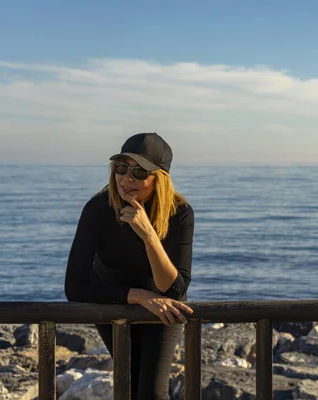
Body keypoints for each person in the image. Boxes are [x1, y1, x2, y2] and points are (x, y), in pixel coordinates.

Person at [64, 132, 194, 399]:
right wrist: (136, 296)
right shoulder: (98, 208)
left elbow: (173, 290)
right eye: (121, 168)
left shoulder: (179, 213)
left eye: (139, 172)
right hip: (112, 301)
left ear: (159, 179)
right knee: (130, 386)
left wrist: (148, 235)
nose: (127, 178)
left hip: (162, 307)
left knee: (153, 393)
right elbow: (74, 287)